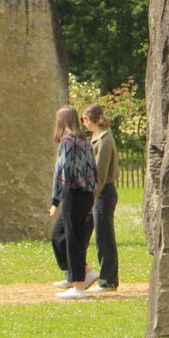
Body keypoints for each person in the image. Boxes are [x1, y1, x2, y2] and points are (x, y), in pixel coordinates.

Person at [47, 105, 98, 299]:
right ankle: (83, 273)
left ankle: (78, 287)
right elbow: (93, 169)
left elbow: (62, 172)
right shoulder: (85, 141)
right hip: (86, 194)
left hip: (74, 193)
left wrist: (54, 201)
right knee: (61, 236)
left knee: (73, 240)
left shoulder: (67, 141)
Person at [82, 103, 119, 292]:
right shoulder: (97, 137)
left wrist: (91, 196)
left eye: (84, 119)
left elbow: (101, 174)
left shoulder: (104, 138)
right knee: (99, 237)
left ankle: (108, 280)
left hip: (104, 192)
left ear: (90, 119)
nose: (83, 123)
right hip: (100, 192)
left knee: (105, 238)